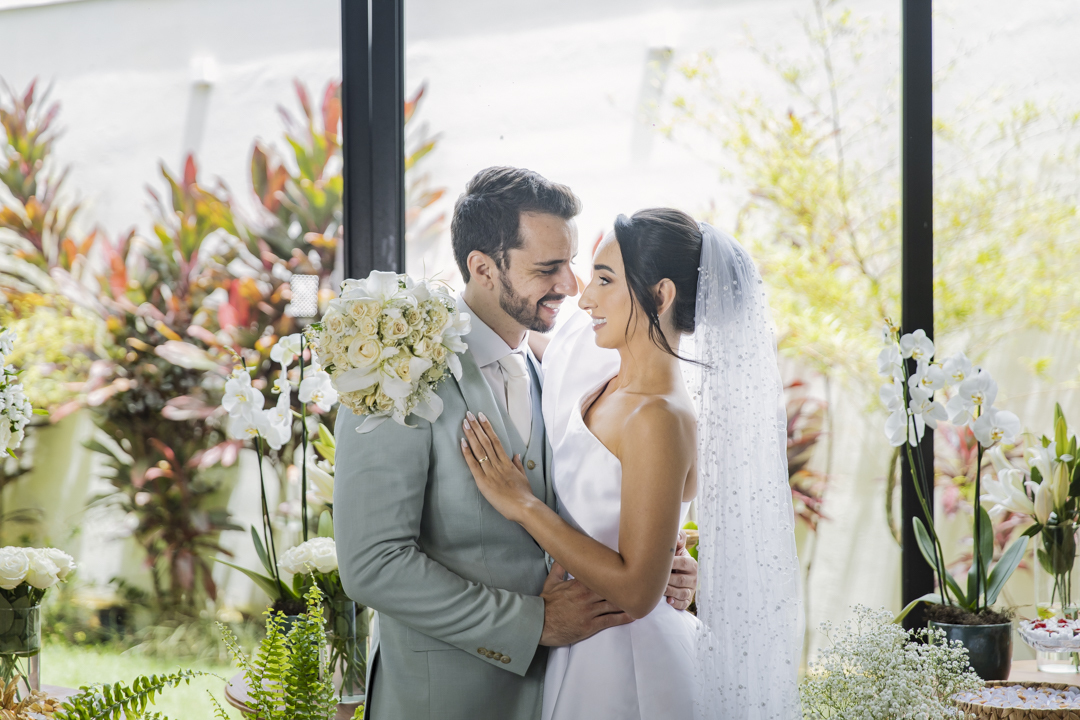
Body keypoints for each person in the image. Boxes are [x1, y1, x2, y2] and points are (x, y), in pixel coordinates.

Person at [333, 168, 698, 720]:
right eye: (547, 269)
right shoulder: (396, 369)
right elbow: (373, 564)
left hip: (572, 689)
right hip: (445, 700)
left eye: (574, 265)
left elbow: (593, 500)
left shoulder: (557, 372)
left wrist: (660, 561)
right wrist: (532, 623)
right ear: (482, 267)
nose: (572, 287)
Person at [460, 209, 804, 719]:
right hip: (579, 646)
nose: (584, 297)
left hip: (627, 663)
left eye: (604, 280)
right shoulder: (605, 374)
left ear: (661, 296)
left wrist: (525, 506)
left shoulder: (658, 416)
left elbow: (639, 593)